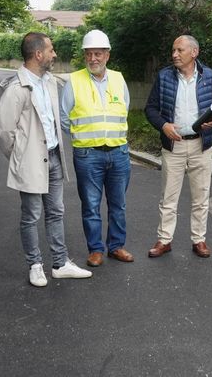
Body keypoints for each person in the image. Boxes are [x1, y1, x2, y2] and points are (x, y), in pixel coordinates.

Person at [0, 32, 92, 287]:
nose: (54, 54)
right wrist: (20, 157)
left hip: (54, 157)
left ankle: (60, 263)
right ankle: (35, 265)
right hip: (30, 161)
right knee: (31, 215)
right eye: (50, 50)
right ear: (38, 54)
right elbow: (5, 134)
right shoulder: (16, 89)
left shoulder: (50, 82)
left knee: (56, 211)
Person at [144, 35, 212, 259]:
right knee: (168, 198)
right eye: (173, 50)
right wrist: (163, 125)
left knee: (201, 197)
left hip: (201, 145)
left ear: (194, 52)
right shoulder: (164, 77)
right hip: (174, 146)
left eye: (179, 50)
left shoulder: (209, 76)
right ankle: (164, 240)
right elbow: (150, 109)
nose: (174, 54)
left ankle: (199, 240)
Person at [60, 29, 134, 267]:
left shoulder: (119, 79)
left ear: (107, 55)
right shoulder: (73, 81)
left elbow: (125, 108)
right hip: (87, 154)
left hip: (119, 152)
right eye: (89, 54)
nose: (93, 58)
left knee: (118, 204)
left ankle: (116, 246)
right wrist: (82, 136)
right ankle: (95, 250)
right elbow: (63, 117)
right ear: (85, 56)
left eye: (98, 54)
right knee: (91, 205)